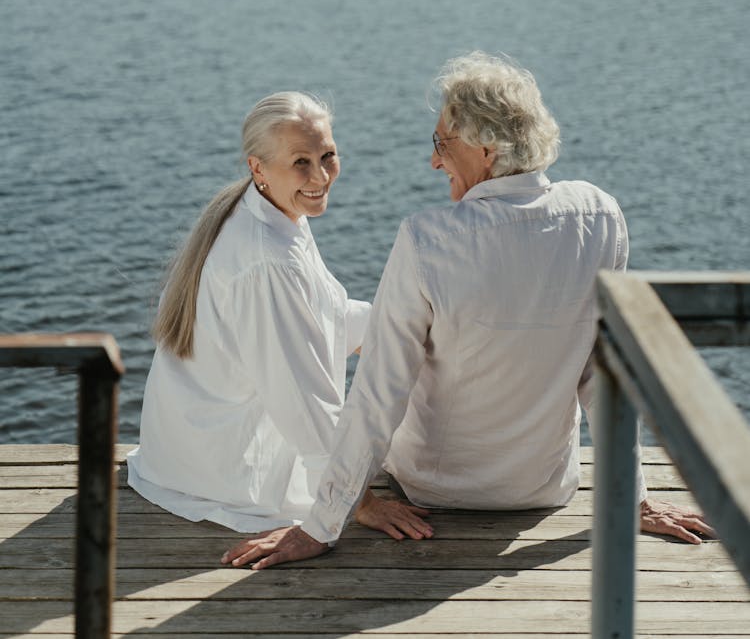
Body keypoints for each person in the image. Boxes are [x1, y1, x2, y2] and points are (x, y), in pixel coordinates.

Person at [221, 53, 714, 569]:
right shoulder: (600, 216)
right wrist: (629, 498)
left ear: (485, 148)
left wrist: (321, 526)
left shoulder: (427, 239)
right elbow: (604, 372)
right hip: (541, 488)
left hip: (434, 489)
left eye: (441, 144)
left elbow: (378, 394)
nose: (434, 161)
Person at [128, 91, 426, 536]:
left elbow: (325, 314)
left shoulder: (270, 212)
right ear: (258, 167)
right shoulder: (268, 259)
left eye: (328, 156)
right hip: (222, 470)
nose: (321, 176)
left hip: (181, 450)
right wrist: (356, 502)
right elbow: (304, 399)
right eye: (301, 162)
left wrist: (416, 327)